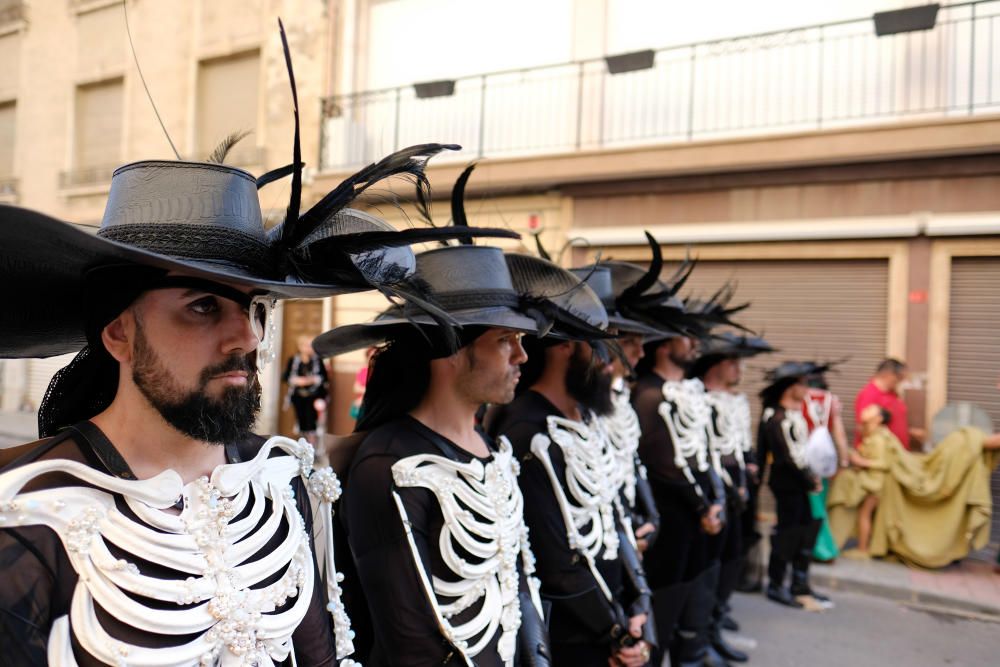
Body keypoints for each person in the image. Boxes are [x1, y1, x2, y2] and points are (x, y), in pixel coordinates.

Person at [0, 115, 475, 661]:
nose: (247, 335)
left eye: (255, 307)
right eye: (203, 307)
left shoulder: (282, 480)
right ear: (118, 333)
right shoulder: (28, 518)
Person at [314, 168, 551, 666]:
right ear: (450, 351)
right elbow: (411, 641)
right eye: (505, 342)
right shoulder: (388, 465)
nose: (522, 358)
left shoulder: (492, 447)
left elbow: (518, 580)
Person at [486, 251, 656, 667]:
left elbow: (611, 512)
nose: (607, 361)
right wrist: (613, 632)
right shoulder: (526, 430)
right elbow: (554, 556)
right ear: (565, 348)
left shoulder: (588, 417)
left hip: (613, 613)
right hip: (572, 632)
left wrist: (639, 605)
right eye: (598, 346)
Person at [691, 333, 773, 663]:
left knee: (732, 558)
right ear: (717, 365)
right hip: (716, 492)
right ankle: (703, 632)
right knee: (712, 563)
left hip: (739, 490)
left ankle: (716, 617)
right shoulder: (702, 401)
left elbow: (738, 441)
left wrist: (749, 465)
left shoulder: (735, 400)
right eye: (732, 362)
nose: (738, 369)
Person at [758, 362, 832, 612]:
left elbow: (803, 449)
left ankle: (800, 583)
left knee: (806, 528)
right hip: (787, 484)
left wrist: (813, 475)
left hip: (802, 483)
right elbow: (786, 455)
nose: (806, 389)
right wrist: (809, 478)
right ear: (789, 388)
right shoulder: (774, 416)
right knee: (787, 532)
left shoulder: (797, 412)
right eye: (801, 384)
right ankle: (776, 583)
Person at [801, 363, 850, 561]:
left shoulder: (800, 398)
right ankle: (819, 547)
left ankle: (822, 548)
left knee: (811, 505)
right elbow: (839, 433)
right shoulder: (831, 400)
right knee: (819, 501)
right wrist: (843, 459)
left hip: (804, 457)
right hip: (823, 459)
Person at [854, 358, 925, 450]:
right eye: (899, 377)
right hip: (882, 454)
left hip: (897, 453)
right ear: (888, 374)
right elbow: (863, 427)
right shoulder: (869, 395)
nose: (900, 381)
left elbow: (891, 424)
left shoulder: (892, 394)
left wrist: (910, 432)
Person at [283, 334, 329, 444]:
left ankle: (311, 448)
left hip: (314, 397)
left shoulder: (317, 360)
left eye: (310, 346)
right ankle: (302, 447)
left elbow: (324, 378)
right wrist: (297, 380)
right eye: (306, 346)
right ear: (300, 346)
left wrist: (312, 380)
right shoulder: (294, 360)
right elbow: (286, 377)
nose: (309, 348)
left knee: (311, 424)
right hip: (298, 396)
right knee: (301, 422)